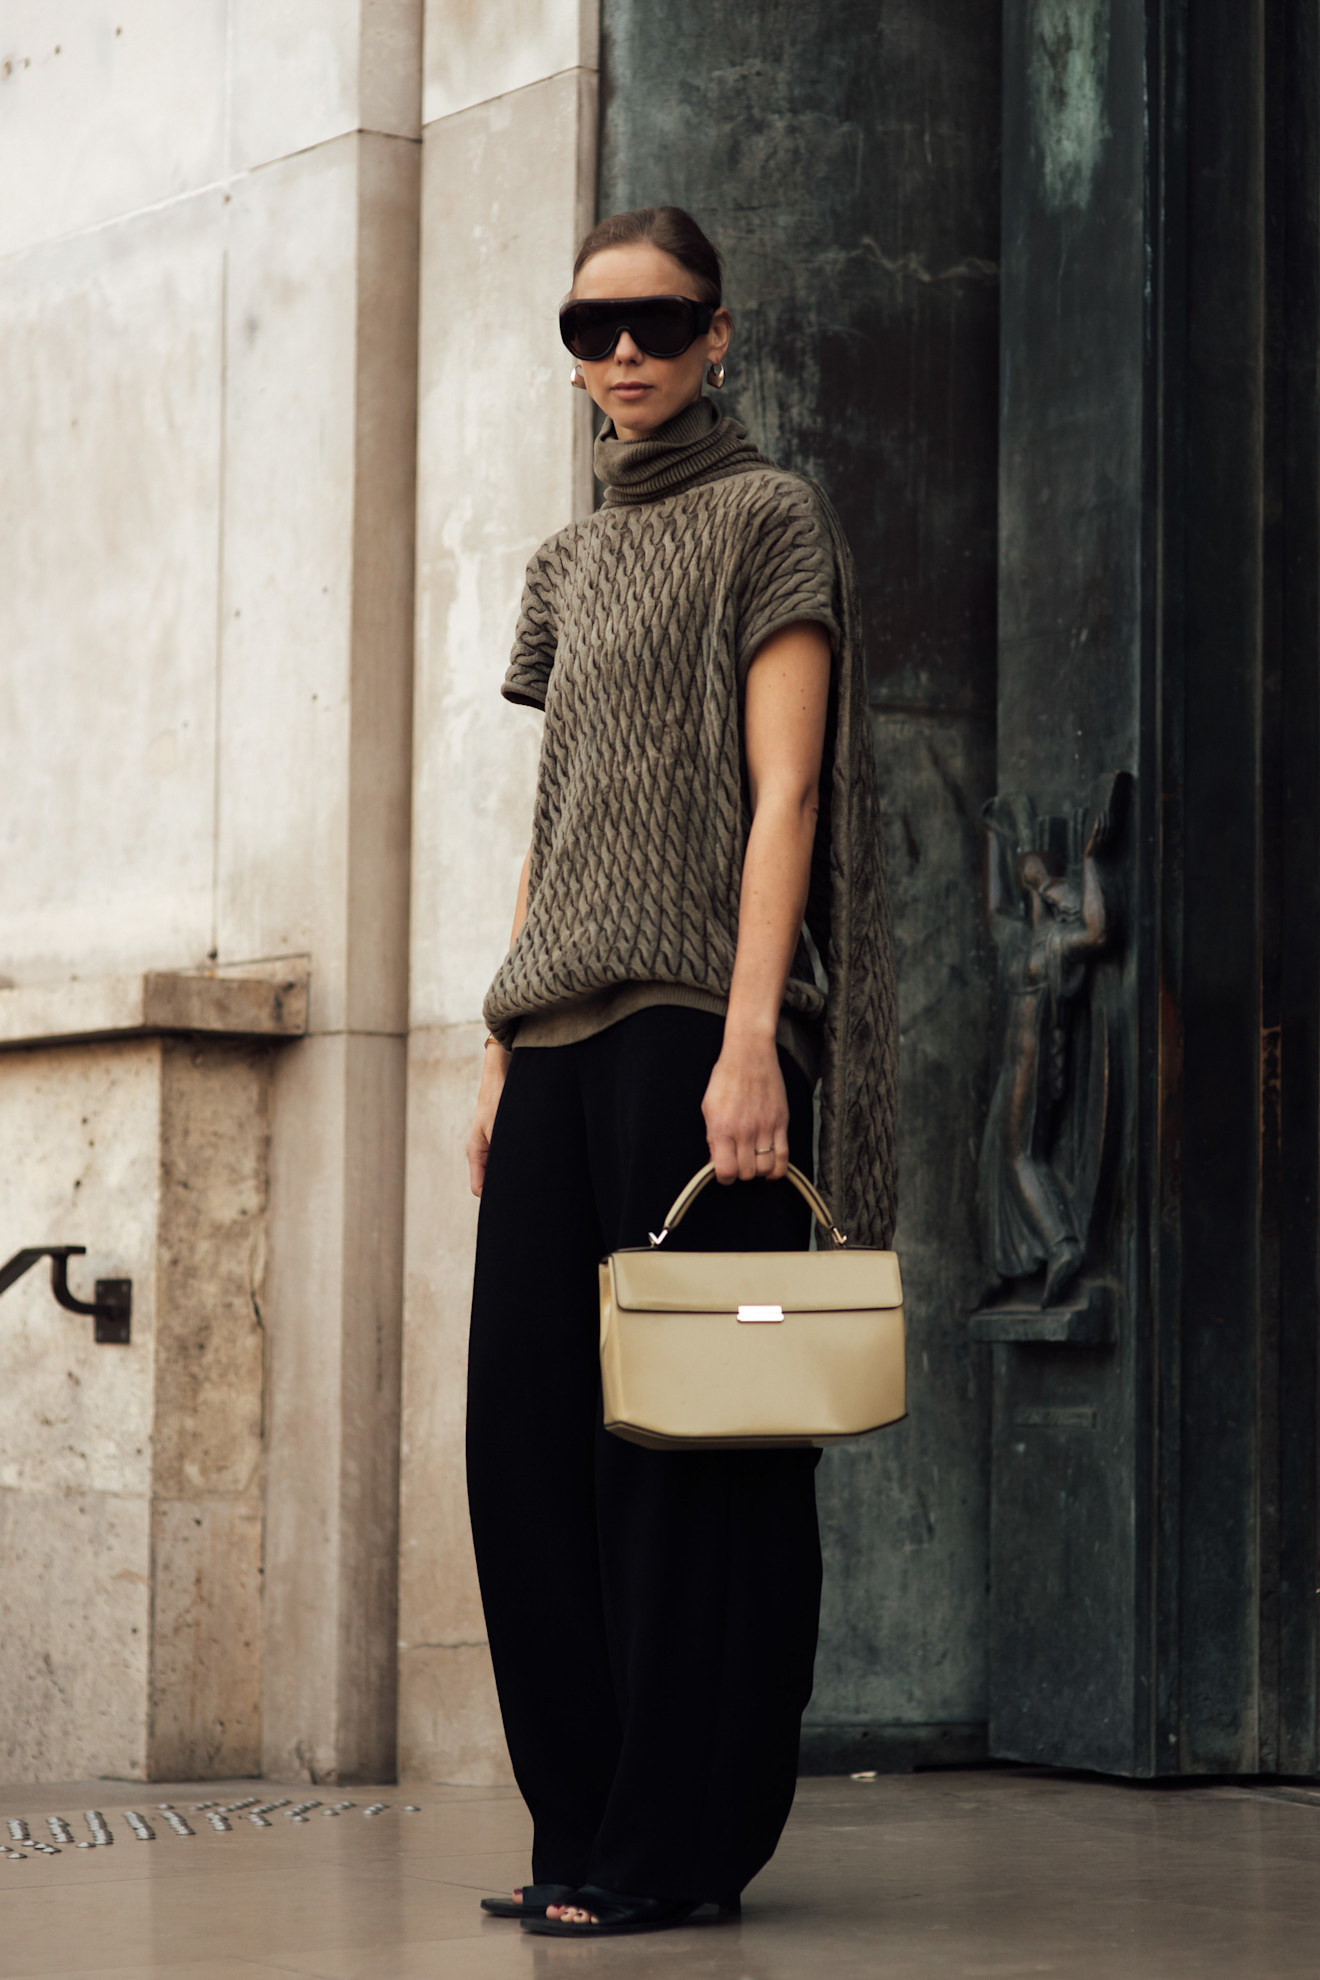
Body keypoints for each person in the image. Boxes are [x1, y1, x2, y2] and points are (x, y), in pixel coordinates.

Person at [464, 205, 897, 1939]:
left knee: (690, 1453)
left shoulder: (768, 516)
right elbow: (557, 817)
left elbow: (786, 794)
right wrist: (498, 1041)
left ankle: (676, 1844)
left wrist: (749, 1039)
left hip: (692, 1037)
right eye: (595, 328)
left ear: (720, 334)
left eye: (659, 322)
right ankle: (580, 1825)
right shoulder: (567, 563)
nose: (626, 353)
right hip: (557, 1038)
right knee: (526, 1448)